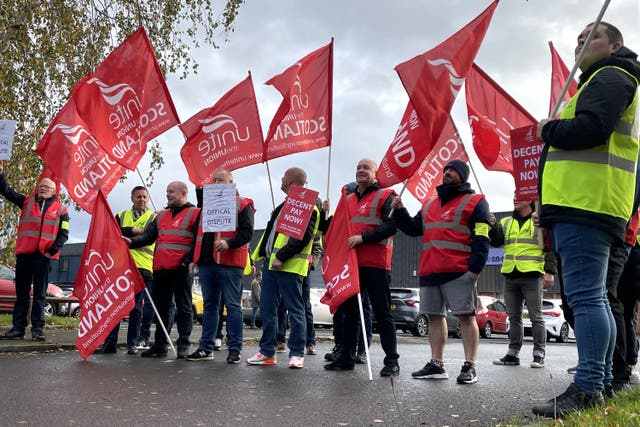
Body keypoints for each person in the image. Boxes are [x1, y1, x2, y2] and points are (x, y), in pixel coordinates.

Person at [532, 22, 640, 418]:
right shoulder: (605, 79)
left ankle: (589, 385)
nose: (580, 43)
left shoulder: (612, 75)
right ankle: (599, 381)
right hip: (591, 204)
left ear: (614, 46)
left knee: (588, 298)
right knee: (594, 297)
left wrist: (550, 129)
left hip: (587, 205)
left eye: (591, 37)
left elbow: (592, 129)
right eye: (577, 38)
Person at [391, 159, 490, 384]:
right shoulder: (429, 204)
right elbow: (413, 229)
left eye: (453, 171)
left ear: (463, 176)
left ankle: (470, 366)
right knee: (435, 317)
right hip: (429, 271)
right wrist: (400, 211)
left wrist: (474, 270)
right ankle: (437, 364)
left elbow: (482, 238)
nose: (447, 173)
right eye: (445, 170)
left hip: (459, 272)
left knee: (466, 317)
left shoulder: (476, 202)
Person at [323, 158, 400, 377]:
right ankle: (347, 358)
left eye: (366, 167)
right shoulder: (347, 200)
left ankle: (392, 361)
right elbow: (334, 231)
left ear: (376, 174)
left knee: (382, 313)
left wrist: (363, 238)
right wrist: (324, 217)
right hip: (352, 267)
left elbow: (393, 226)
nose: (361, 171)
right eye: (358, 167)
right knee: (350, 314)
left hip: (377, 265)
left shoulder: (386, 196)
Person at [247, 167, 319, 369]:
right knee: (268, 309)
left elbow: (304, 237)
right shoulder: (282, 206)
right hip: (272, 265)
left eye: (283, 176)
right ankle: (267, 352)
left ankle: (297, 352)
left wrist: (281, 256)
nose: (280, 178)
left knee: (296, 310)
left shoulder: (308, 207)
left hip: (290, 266)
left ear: (288, 180)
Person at [187, 169, 254, 363]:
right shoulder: (207, 206)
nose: (216, 183)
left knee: (233, 306)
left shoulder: (242, 203)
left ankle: (234, 348)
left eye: (220, 180)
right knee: (209, 307)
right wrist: (194, 259)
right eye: (213, 180)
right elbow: (199, 236)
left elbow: (247, 232)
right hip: (207, 263)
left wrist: (229, 243)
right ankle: (206, 347)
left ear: (231, 182)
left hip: (230, 264)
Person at [129, 181, 199, 359]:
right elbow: (148, 236)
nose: (168, 195)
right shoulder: (160, 215)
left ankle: (183, 344)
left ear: (184, 193)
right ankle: (160, 344)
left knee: (184, 307)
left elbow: (199, 241)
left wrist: (188, 261)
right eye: (167, 191)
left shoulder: (195, 213)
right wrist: (131, 242)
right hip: (160, 268)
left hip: (181, 269)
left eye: (172, 192)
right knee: (161, 308)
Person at [0, 161, 69, 341]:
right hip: (24, 256)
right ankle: (18, 329)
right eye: (40, 186)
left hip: (43, 258)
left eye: (46, 187)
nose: (42, 189)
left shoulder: (62, 210)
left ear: (54, 191)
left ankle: (38, 330)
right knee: (22, 294)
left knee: (39, 295)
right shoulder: (26, 202)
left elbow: (64, 234)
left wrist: (50, 252)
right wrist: (1, 174)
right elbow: (7, 192)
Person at [489, 199, 556, 368]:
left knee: (536, 317)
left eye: (518, 196)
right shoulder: (506, 222)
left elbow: (550, 247)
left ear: (530, 201)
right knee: (513, 317)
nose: (514, 200)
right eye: (513, 196)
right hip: (511, 274)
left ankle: (538, 354)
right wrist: (493, 225)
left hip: (532, 275)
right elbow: (496, 241)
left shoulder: (538, 221)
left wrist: (550, 271)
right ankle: (513, 353)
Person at [94, 186, 156, 355]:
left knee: (135, 307)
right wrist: (131, 231)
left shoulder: (153, 217)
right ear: (132, 198)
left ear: (148, 199)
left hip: (142, 266)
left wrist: (130, 236)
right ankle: (110, 343)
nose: (141, 199)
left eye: (144, 197)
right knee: (115, 305)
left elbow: (150, 238)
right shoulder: (121, 216)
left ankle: (132, 343)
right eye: (138, 196)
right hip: (120, 266)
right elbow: (109, 232)